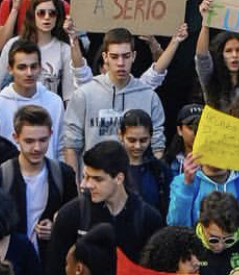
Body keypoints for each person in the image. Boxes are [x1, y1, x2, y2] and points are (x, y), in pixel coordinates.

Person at [46, 141, 165, 275]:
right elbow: (55, 274)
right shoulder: (72, 214)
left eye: (97, 179)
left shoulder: (148, 218)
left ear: (119, 178)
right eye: (86, 177)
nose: (87, 185)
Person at [63, 27, 166, 172]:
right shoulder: (85, 94)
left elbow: (157, 147)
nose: (120, 63)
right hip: (94, 182)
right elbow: (71, 145)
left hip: (136, 184)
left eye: (126, 56)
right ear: (105, 57)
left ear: (134, 56)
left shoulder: (149, 96)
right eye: (114, 57)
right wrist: (73, 188)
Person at [0, 104, 77, 257]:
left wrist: (56, 228)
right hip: (11, 268)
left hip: (50, 266)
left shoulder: (63, 175)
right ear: (15, 138)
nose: (37, 148)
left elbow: (74, 220)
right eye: (29, 141)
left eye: (43, 140)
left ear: (51, 135)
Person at [0, 42, 66, 160]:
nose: (29, 73)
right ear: (10, 69)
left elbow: (61, 146)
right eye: (22, 67)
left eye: (33, 67)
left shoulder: (55, 102)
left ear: (40, 68)